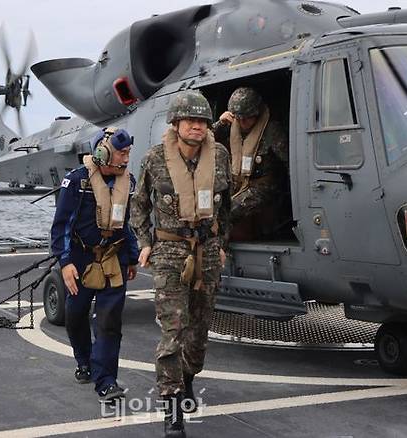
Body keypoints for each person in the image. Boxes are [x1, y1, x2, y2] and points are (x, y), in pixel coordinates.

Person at [130, 90, 231, 438]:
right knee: (173, 332)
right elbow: (139, 205)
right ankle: (172, 406)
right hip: (170, 254)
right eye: (190, 121)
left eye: (202, 121)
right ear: (176, 124)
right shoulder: (155, 158)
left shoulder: (219, 156)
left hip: (208, 251)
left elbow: (226, 205)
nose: (197, 127)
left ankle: (188, 378)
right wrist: (145, 243)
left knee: (199, 336)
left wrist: (222, 244)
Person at [50, 127, 139, 403]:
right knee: (75, 315)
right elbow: (61, 225)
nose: (125, 159)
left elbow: (125, 225)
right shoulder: (76, 182)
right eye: (121, 153)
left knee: (109, 322)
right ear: (103, 153)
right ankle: (84, 360)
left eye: (127, 153)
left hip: (114, 258)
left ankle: (106, 381)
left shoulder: (129, 182)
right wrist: (65, 263)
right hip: (81, 260)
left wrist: (132, 256)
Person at [212, 87, 289, 237]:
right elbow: (203, 139)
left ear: (256, 113)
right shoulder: (230, 126)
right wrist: (219, 124)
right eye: (238, 118)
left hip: (263, 185)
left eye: (247, 117)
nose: (242, 122)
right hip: (237, 183)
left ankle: (221, 249)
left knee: (230, 211)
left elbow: (288, 162)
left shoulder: (272, 131)